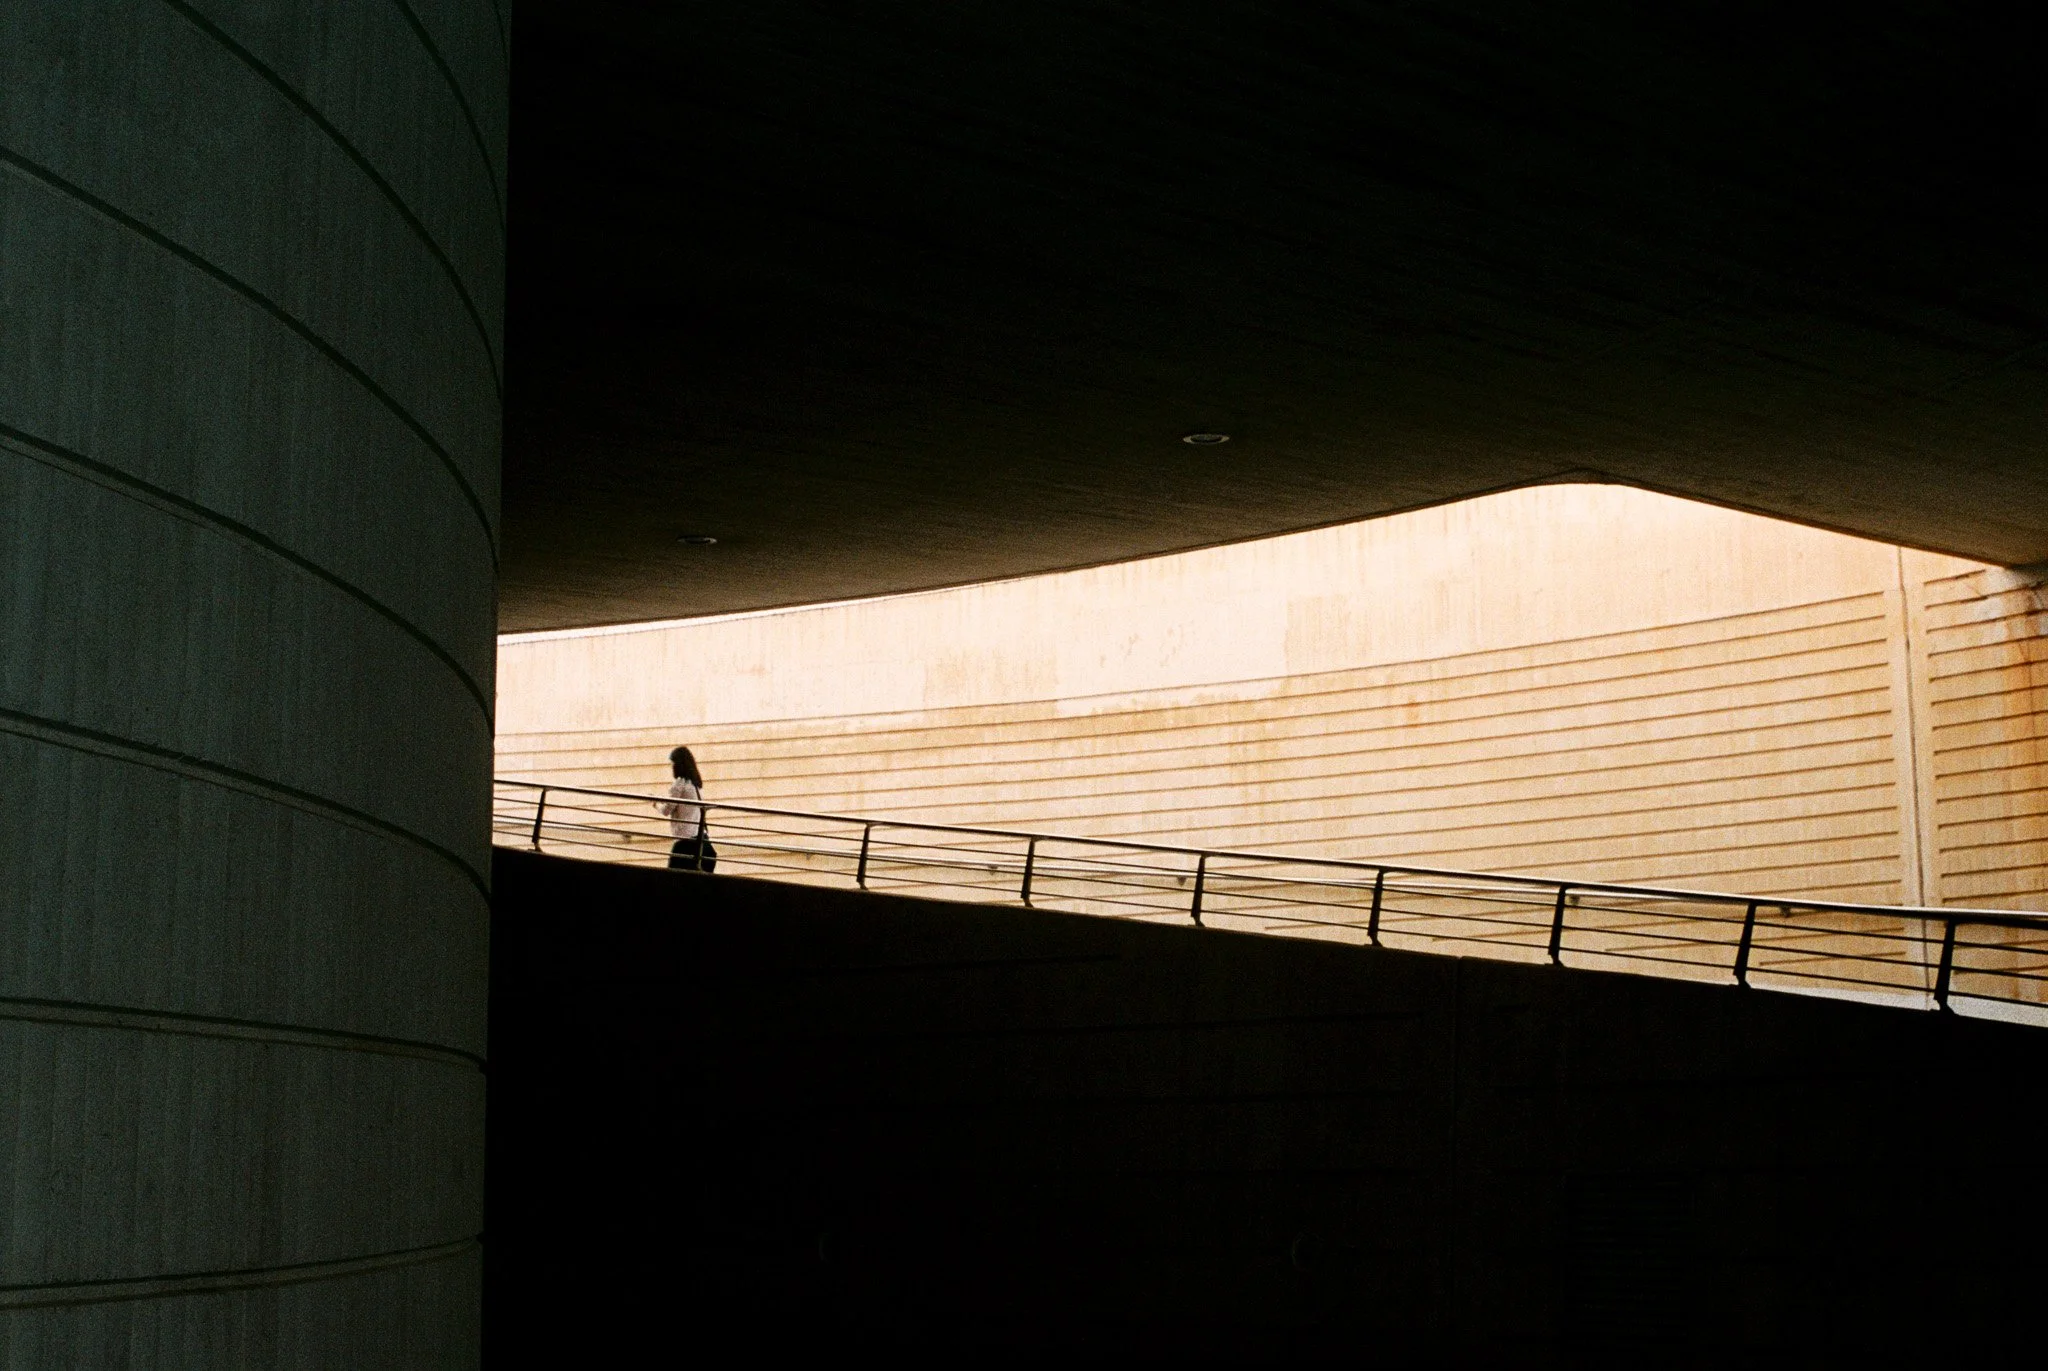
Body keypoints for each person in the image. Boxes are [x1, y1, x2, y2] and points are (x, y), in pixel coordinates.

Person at [655, 744, 717, 872]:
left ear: (678, 764)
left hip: (685, 842)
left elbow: (667, 810)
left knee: (672, 880)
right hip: (701, 841)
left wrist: (655, 805)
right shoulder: (695, 784)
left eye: (672, 764)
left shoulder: (679, 784)